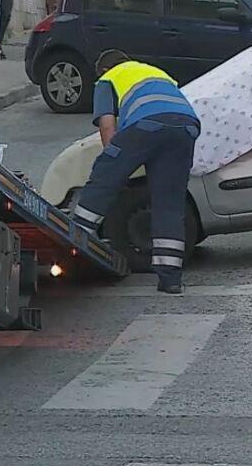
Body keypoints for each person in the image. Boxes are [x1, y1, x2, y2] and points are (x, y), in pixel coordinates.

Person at [71, 50, 201, 295]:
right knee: (169, 204)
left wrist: (116, 168)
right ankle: (170, 279)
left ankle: (76, 235)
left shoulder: (108, 78)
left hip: (147, 124)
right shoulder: (157, 73)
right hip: (186, 127)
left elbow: (107, 125)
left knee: (104, 175)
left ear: (103, 69)